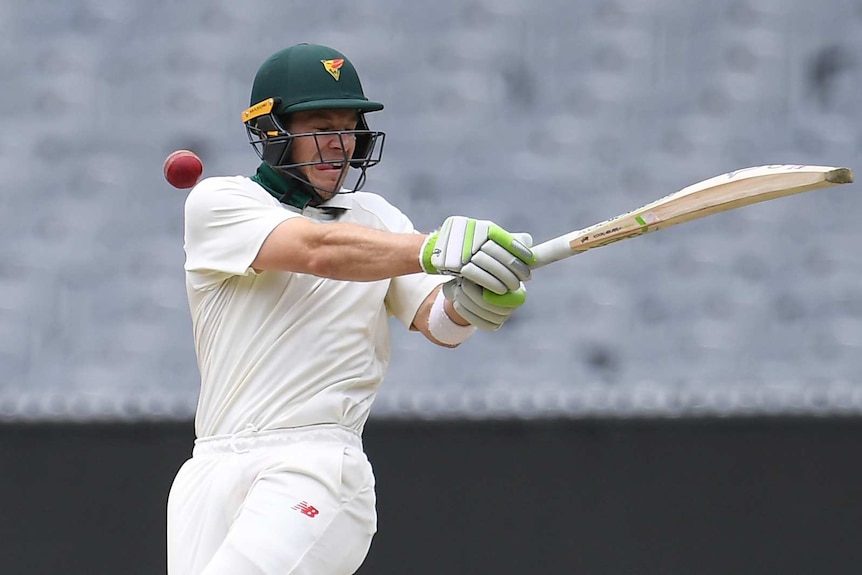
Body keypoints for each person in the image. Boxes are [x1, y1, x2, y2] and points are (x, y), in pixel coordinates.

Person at [166, 42, 534, 575]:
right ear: (272, 131)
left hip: (313, 464)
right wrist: (433, 249)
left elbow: (438, 323)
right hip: (211, 468)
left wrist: (470, 300)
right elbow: (318, 250)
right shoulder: (220, 202)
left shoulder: (377, 217)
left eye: (348, 126)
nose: (338, 143)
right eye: (319, 124)